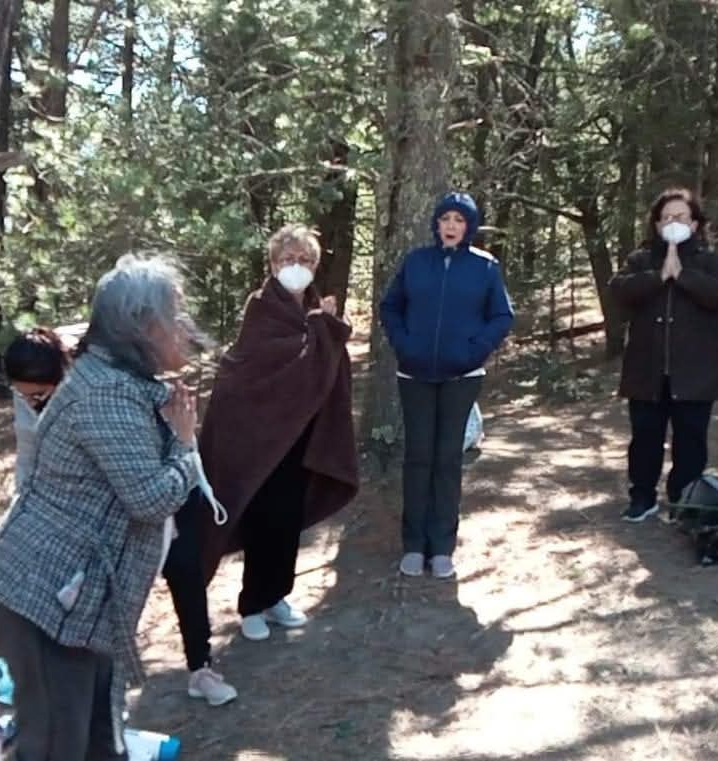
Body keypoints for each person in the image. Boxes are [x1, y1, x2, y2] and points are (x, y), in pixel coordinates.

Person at [0, 254, 213, 760]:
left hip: (78, 605)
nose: (184, 327)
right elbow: (151, 499)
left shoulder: (116, 382)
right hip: (45, 602)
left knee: (100, 742)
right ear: (142, 326)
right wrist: (184, 445)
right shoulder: (106, 395)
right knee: (57, 747)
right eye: (173, 315)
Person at [191, 223, 359, 644]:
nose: (295, 267)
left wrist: (329, 329)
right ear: (272, 264)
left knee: (288, 522)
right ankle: (251, 604)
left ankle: (277, 596)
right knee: (261, 519)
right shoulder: (262, 308)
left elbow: (322, 367)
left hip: (302, 436)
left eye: (304, 260)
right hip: (261, 440)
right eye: (288, 259)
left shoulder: (316, 309)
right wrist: (324, 331)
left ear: (315, 266)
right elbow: (259, 368)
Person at [380, 192, 514, 579]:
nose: (451, 226)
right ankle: (413, 545)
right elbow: (390, 307)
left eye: (459, 220)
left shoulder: (485, 266)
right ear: (436, 224)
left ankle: (441, 548)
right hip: (414, 375)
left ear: (469, 227)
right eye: (445, 219)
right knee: (418, 458)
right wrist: (405, 344)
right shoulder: (416, 262)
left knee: (448, 460)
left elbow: (502, 316)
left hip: (462, 377)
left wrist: (474, 351)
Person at [608, 188, 718, 523]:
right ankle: (642, 497)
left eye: (680, 217)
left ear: (694, 224)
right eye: (666, 218)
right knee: (645, 438)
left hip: (696, 372)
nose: (672, 223)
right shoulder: (640, 260)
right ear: (656, 224)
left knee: (691, 439)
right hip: (646, 370)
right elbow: (619, 291)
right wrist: (659, 276)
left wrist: (683, 276)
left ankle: (683, 498)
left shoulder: (711, 262)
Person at [4, 326, 73, 493]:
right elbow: (27, 455)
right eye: (21, 394)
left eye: (37, 395)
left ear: (62, 378)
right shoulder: (26, 394)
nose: (29, 404)